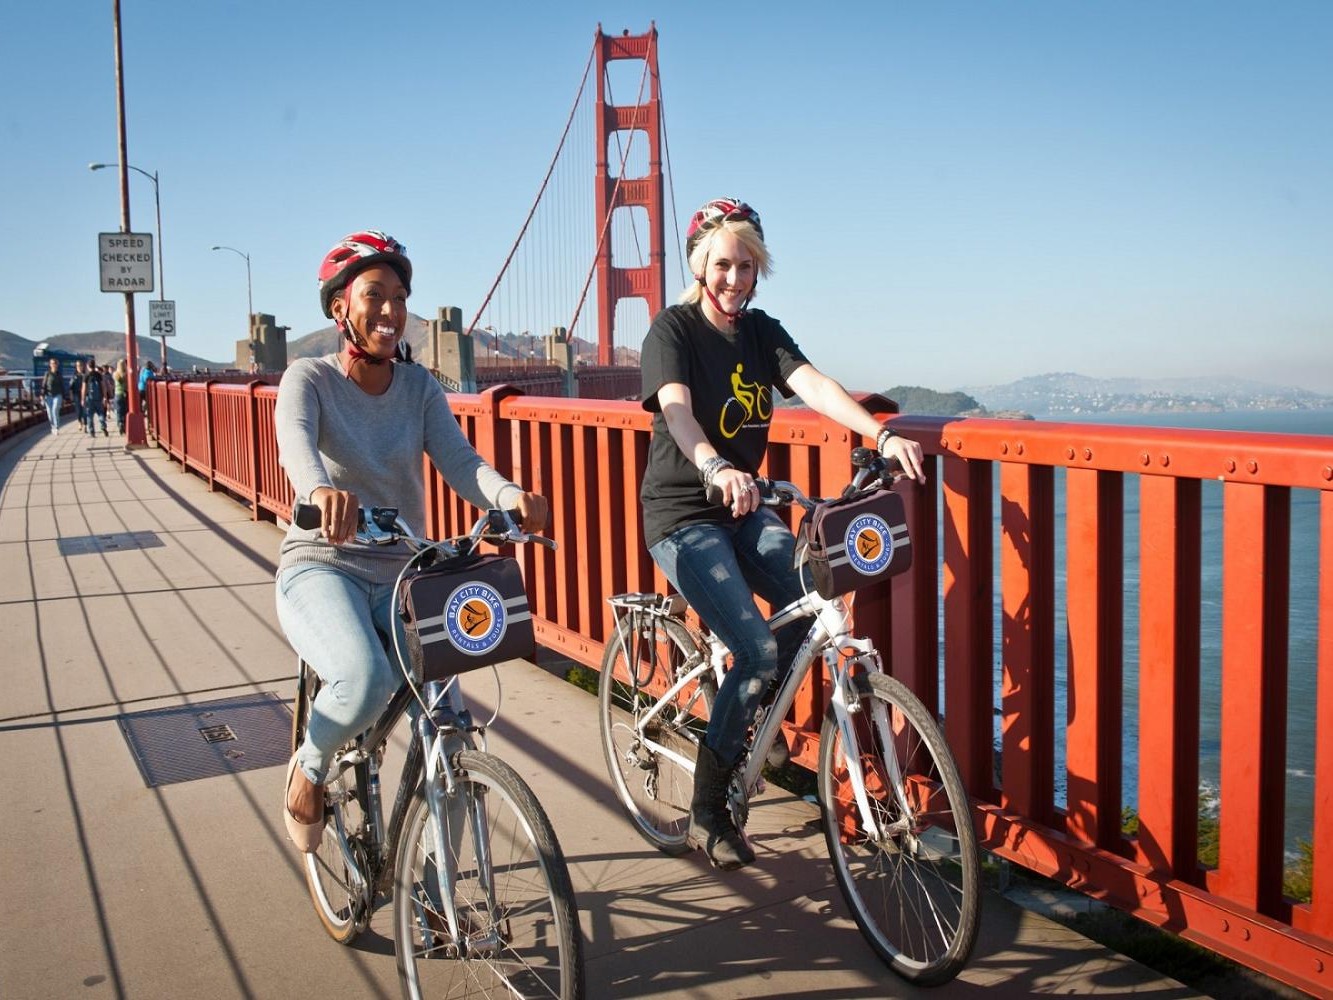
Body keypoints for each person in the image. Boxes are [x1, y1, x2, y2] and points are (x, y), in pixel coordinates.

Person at [639, 197, 925, 869]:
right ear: (699, 266)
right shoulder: (672, 330)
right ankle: (708, 811)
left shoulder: (759, 331)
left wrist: (880, 433)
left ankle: (749, 713)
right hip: (682, 515)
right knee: (756, 649)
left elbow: (813, 386)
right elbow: (677, 412)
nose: (735, 279)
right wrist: (713, 465)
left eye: (747, 267)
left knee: (814, 595)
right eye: (723, 265)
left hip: (742, 509)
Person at [274, 230, 549, 853]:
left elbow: (462, 462)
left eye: (400, 297)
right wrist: (320, 494)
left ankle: (431, 889)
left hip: (404, 572)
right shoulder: (308, 378)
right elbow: (297, 446)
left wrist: (510, 497)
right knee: (364, 677)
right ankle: (309, 766)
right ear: (340, 306)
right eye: (374, 294)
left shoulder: (419, 387)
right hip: (323, 564)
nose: (391, 310)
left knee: (451, 720)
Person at [40, 357, 64, 435]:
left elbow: (62, 386)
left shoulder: (59, 374)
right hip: (48, 396)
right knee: (50, 413)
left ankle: (56, 427)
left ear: (57, 365)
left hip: (57, 395)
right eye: (52, 363)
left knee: (55, 410)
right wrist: (42, 394)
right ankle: (53, 426)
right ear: (50, 365)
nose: (54, 365)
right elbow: (44, 384)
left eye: (55, 363)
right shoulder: (47, 374)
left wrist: (64, 397)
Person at [83, 363, 108, 436]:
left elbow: (84, 388)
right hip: (99, 398)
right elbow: (103, 386)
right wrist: (105, 397)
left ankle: (92, 431)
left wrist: (83, 399)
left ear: (88, 366)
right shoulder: (99, 375)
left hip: (89, 399)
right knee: (100, 413)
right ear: (94, 366)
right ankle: (103, 426)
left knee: (90, 415)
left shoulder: (86, 376)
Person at [112, 359, 129, 434]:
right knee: (125, 410)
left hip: (117, 394)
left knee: (118, 411)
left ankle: (120, 423)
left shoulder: (115, 374)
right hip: (125, 393)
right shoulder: (126, 374)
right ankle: (124, 424)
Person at [71, 360, 87, 433]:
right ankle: (80, 422)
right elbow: (71, 386)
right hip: (76, 394)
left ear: (83, 366)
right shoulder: (74, 376)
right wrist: (71, 394)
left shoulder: (85, 375)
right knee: (78, 410)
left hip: (85, 395)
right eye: (77, 366)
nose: (79, 367)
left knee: (85, 410)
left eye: (80, 365)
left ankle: (85, 425)